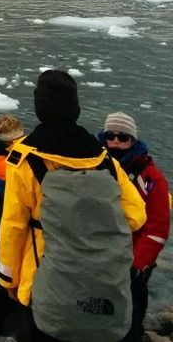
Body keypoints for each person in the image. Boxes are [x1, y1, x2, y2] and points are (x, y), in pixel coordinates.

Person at [0, 70, 146, 342]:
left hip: (43, 279)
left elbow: (13, 225)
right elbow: (136, 215)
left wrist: (8, 280)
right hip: (98, 278)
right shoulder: (103, 159)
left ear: (39, 107)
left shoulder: (24, 160)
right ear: (75, 108)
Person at [97, 112, 169, 342]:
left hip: (133, 258)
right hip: (98, 255)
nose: (116, 142)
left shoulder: (151, 178)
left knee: (131, 307)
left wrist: (138, 265)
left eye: (123, 137)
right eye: (110, 136)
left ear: (133, 141)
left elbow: (158, 228)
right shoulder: (95, 167)